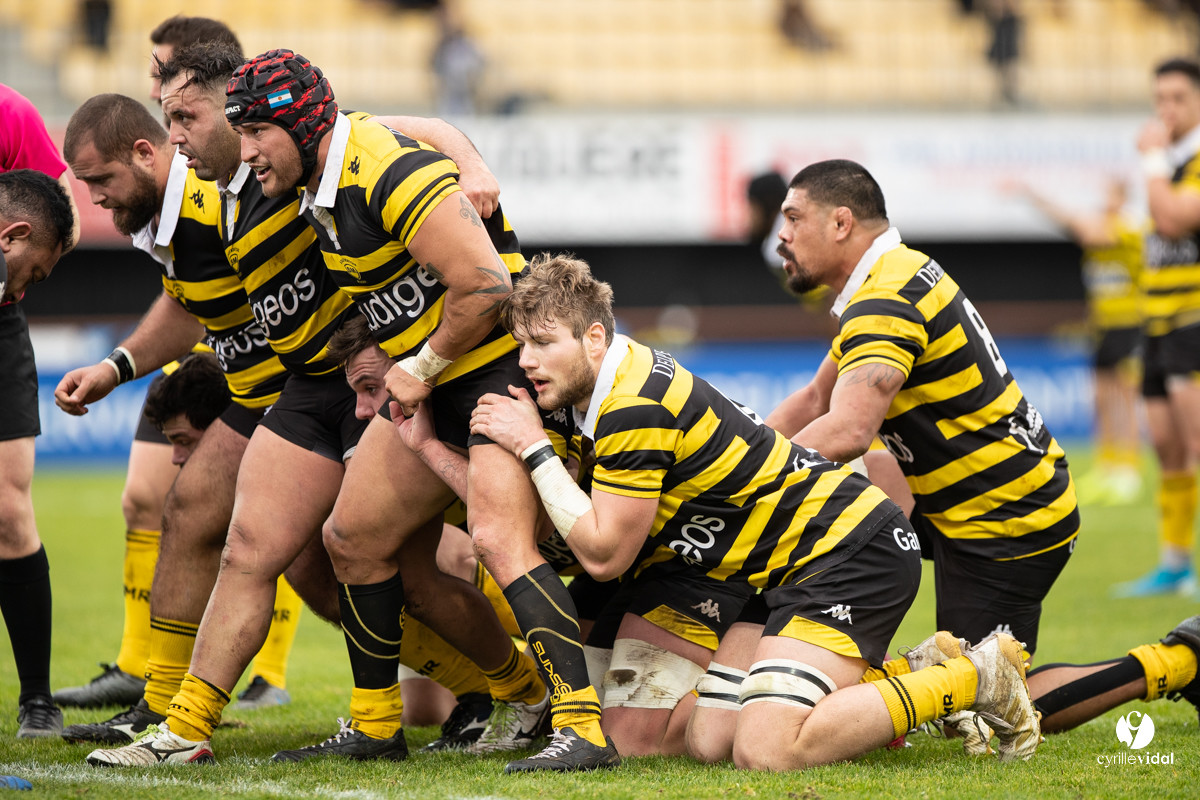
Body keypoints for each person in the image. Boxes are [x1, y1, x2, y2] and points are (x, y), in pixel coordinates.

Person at [83, 42, 551, 767]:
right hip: (304, 385)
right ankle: (184, 728)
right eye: (166, 118)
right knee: (254, 548)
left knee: (414, 570)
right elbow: (191, 301)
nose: (176, 135)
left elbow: (418, 133)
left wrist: (475, 166)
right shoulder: (220, 185)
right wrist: (120, 366)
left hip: (378, 378)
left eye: (187, 115)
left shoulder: (319, 149)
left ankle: (522, 693)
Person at [469, 252, 1041, 770]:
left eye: (543, 344)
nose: (527, 362)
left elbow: (603, 556)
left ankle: (975, 676)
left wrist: (533, 447)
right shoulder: (621, 381)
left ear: (594, 338)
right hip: (773, 573)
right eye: (522, 345)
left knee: (766, 750)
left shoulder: (633, 404)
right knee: (710, 740)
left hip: (847, 553)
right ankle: (907, 673)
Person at [213, 48, 600, 773]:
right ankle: (380, 724)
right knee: (352, 540)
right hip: (437, 379)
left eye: (256, 132)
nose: (247, 153)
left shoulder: (382, 169)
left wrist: (418, 368)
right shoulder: (322, 164)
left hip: (493, 372)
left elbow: (484, 287)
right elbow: (421, 126)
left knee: (498, 541)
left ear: (299, 124)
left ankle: (583, 728)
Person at [763, 159, 1198, 746]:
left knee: (981, 706)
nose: (781, 234)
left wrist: (750, 479)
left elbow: (846, 430)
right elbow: (816, 398)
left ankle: (1178, 659)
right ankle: (878, 665)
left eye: (793, 217)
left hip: (1005, 519)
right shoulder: (893, 273)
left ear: (841, 222)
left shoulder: (884, 298)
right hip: (974, 499)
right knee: (841, 508)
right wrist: (749, 450)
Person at [0, 84, 79, 740]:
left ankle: (37, 700)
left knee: (7, 509)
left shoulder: (10, 115)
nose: (32, 282)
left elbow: (64, 221)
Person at [1011, 178, 1144, 508]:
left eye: (1110, 194)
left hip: (1128, 324)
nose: (1104, 200)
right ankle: (1108, 464)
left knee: (1123, 397)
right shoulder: (1107, 224)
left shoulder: (1128, 227)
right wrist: (1033, 196)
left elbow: (1088, 231)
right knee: (1100, 398)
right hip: (1103, 326)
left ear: (1123, 197)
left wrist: (1035, 194)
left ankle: (1129, 470)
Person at [1120, 55, 1200, 596]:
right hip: (1158, 321)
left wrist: (1149, 160)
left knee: (1196, 443)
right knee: (1168, 448)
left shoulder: (1180, 164)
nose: (1166, 109)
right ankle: (1175, 564)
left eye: (1178, 98)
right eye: (1159, 99)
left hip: (1194, 318)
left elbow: (1173, 219)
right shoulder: (1167, 165)